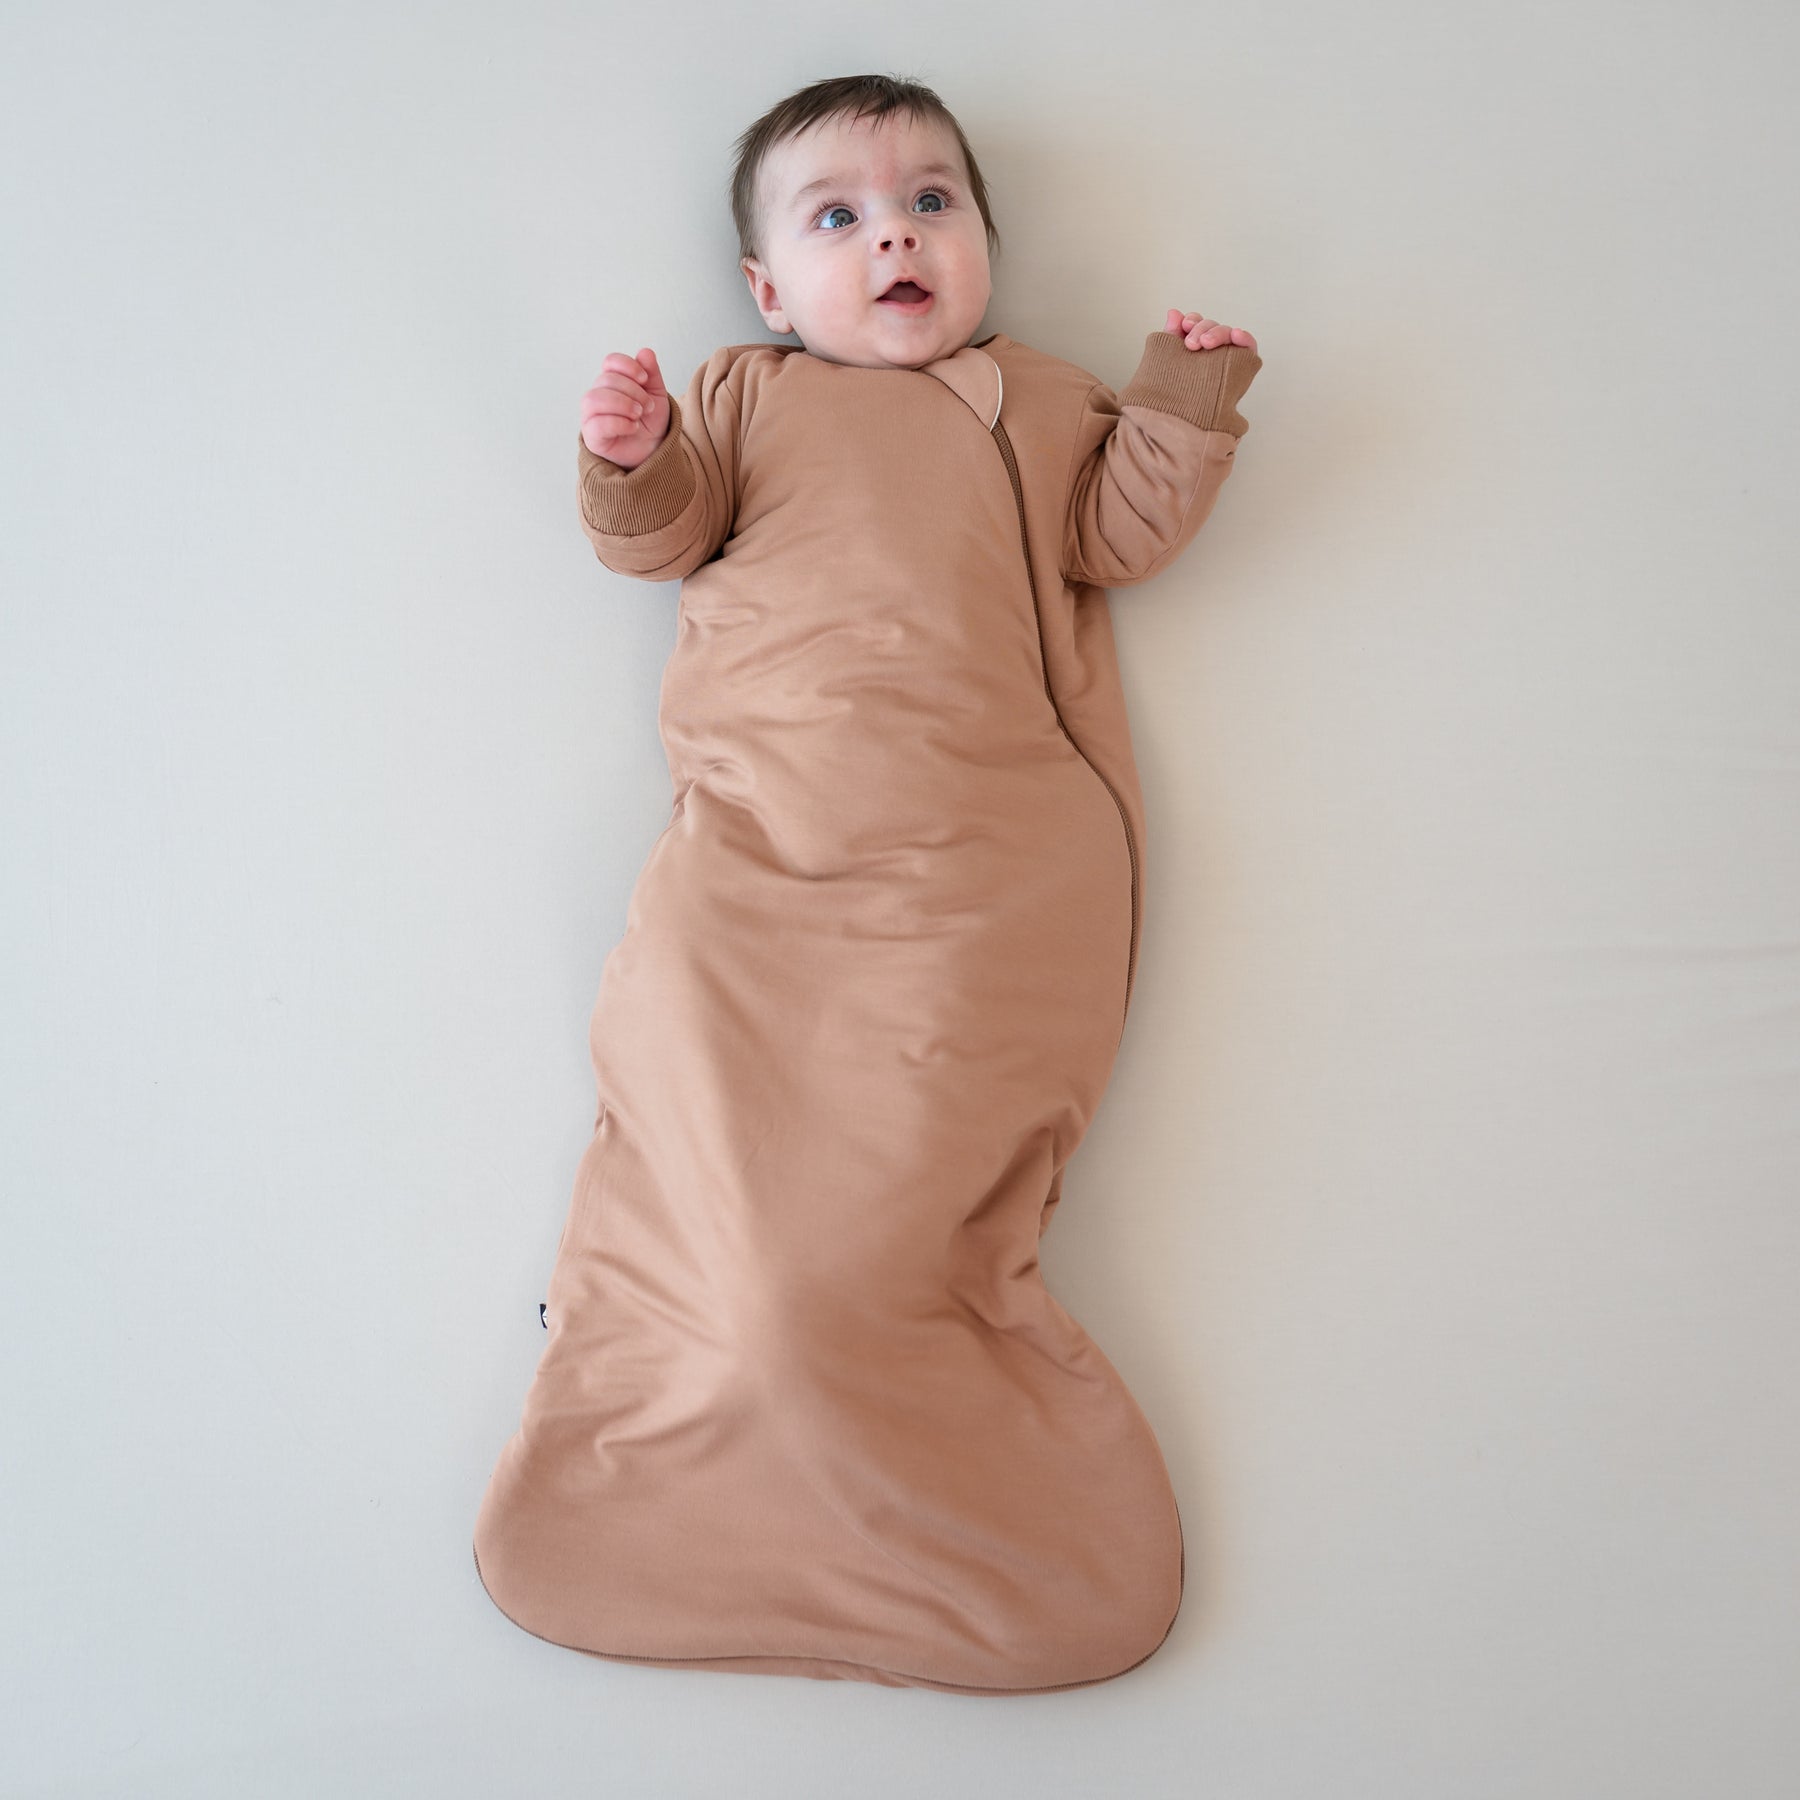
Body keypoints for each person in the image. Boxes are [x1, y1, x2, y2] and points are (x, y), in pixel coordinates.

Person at [473, 72, 1264, 1696]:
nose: (892, 234)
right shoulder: (748, 398)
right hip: (763, 854)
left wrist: (1181, 398)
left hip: (981, 859)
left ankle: (948, 1437)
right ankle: (669, 1431)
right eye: (838, 216)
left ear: (981, 244)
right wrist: (628, 456)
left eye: (931, 204)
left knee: (909, 1173)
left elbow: (1122, 538)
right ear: (771, 291)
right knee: (710, 1126)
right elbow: (662, 535)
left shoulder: (1037, 400)